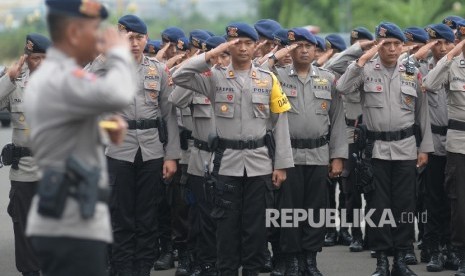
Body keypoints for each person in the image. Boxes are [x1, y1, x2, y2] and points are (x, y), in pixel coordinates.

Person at [24, 1, 137, 276]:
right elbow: (120, 93)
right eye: (94, 29)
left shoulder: (53, 77)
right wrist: (119, 54)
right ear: (74, 33)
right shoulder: (62, 77)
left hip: (67, 216)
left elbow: (65, 131)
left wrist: (102, 129)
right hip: (71, 221)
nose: (99, 36)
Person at [172, 22, 294, 276]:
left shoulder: (268, 79)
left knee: (256, 227)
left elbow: (280, 122)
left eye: (248, 43)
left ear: (255, 46)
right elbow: (179, 77)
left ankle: (251, 271)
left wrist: (281, 164)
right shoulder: (214, 77)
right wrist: (208, 56)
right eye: (235, 43)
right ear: (227, 45)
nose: (242, 48)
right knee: (225, 225)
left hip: (259, 163)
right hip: (226, 164)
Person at [336, 22, 434, 276]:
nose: (391, 49)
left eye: (395, 44)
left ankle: (401, 259)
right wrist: (362, 58)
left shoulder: (412, 71)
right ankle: (381, 260)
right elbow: (342, 88)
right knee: (378, 207)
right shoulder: (366, 70)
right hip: (376, 151)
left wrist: (425, 148)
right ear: (379, 46)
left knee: (404, 207)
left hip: (405, 148)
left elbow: (422, 112)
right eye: (385, 44)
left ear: (402, 46)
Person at [267, 27, 347, 276]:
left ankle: (310, 260)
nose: (303, 50)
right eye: (297, 46)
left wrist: (337, 157)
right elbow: (255, 72)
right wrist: (276, 55)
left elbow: (337, 120)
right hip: (288, 155)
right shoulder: (276, 76)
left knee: (316, 210)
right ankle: (291, 261)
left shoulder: (327, 79)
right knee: (289, 211)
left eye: (308, 46)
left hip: (318, 154)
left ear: (316, 50)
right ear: (289, 50)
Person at [106, 14, 180, 276]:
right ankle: (122, 269)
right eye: (128, 37)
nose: (134, 43)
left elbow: (169, 114)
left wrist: (171, 156)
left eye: (139, 37)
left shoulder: (157, 70)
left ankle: (142, 269)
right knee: (121, 216)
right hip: (119, 151)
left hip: (151, 151)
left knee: (147, 217)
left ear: (146, 38)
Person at [0, 33, 50, 276]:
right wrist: (8, 79)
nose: (39, 63)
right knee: (24, 226)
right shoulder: (14, 82)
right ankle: (30, 272)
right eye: (35, 58)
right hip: (25, 171)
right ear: (26, 58)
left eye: (44, 58)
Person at [423, 19, 465, 276]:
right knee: (457, 204)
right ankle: (458, 253)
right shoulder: (453, 64)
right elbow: (428, 83)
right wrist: (453, 53)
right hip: (458, 143)